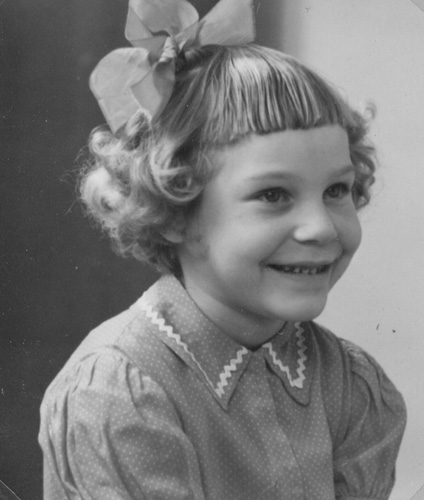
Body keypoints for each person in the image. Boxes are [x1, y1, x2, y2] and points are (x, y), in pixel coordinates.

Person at [39, 0, 407, 499]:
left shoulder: (351, 386)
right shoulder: (121, 392)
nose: (321, 228)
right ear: (175, 210)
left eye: (336, 190)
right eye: (273, 195)